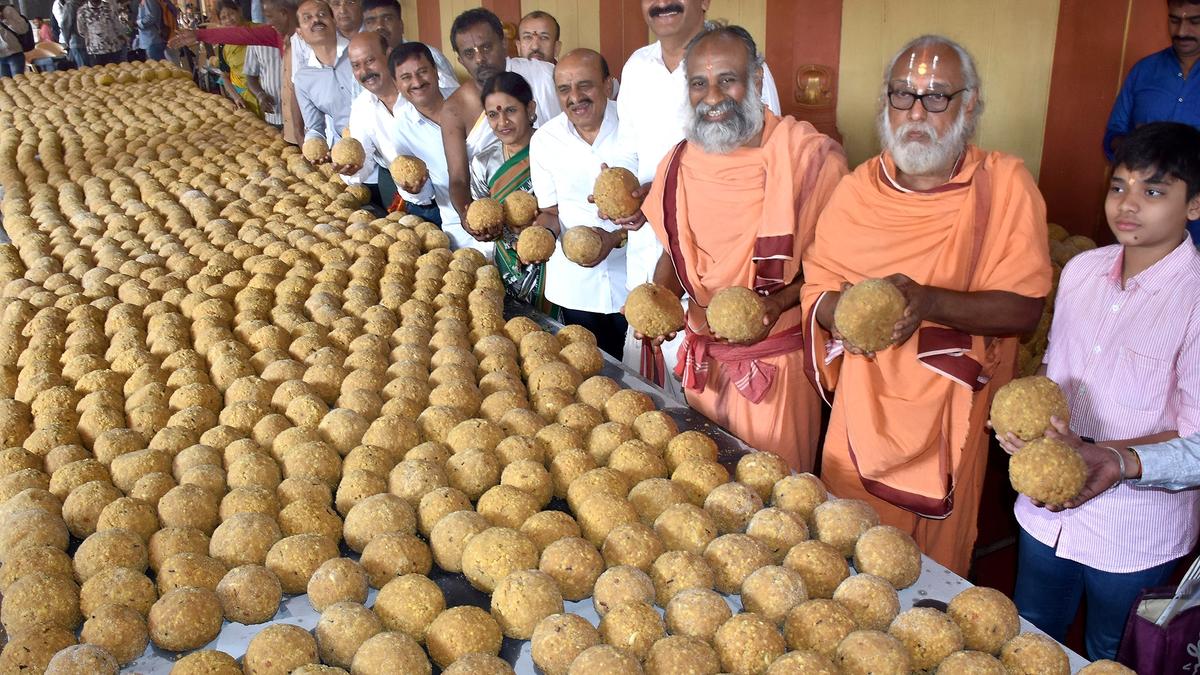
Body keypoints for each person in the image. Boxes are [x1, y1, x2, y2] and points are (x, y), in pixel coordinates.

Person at [800, 35, 1052, 577]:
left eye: (936, 97)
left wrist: (930, 301)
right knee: (841, 561)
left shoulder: (1004, 186)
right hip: (862, 408)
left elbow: (1024, 310)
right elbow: (816, 290)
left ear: (970, 104)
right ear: (885, 103)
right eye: (903, 95)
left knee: (932, 580)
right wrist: (847, 313)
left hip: (950, 414)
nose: (916, 113)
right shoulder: (856, 192)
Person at [999, 122, 1200, 661]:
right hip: (1046, 513)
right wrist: (1023, 428)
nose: (1127, 204)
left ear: (1195, 205)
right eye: (1119, 186)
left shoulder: (1195, 301)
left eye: (1153, 191)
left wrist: (1113, 458)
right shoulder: (1081, 272)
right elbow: (1051, 373)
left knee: (1109, 654)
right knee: (1029, 637)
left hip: (1134, 531)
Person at [638, 25, 846, 471]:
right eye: (699, 83)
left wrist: (777, 303)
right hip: (703, 367)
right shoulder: (677, 163)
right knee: (699, 480)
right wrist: (659, 304)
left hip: (777, 368)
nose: (712, 97)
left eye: (727, 80)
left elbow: (838, 268)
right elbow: (674, 253)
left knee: (776, 493)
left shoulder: (811, 159)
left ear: (756, 79)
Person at [618, 0, 783, 387]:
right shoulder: (637, 66)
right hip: (653, 263)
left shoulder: (741, 61)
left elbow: (764, 162)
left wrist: (668, 195)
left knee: (714, 407)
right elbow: (628, 150)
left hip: (732, 286)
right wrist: (633, 195)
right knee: (648, 401)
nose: (662, 2)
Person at [530, 49, 636, 358]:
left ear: (607, 85)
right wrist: (540, 236)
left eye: (585, 85)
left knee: (642, 379)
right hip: (575, 288)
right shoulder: (545, 140)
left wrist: (615, 238)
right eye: (564, 89)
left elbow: (660, 204)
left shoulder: (637, 126)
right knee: (587, 370)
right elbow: (551, 211)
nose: (575, 97)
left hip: (633, 282)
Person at [441, 8, 561, 228]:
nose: (480, 58)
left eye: (486, 47)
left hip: (556, 213)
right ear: (460, 59)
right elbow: (458, 178)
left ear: (504, 43)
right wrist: (469, 218)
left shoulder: (544, 75)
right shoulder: (454, 110)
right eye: (469, 53)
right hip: (498, 224)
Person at [1105, 0, 1200, 243]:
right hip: (1141, 218)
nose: (1182, 31)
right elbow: (1114, 133)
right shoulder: (1144, 71)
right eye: (1175, 20)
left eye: (1195, 22)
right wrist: (1140, 146)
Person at [469, 71, 559, 319]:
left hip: (553, 259)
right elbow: (480, 212)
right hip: (508, 263)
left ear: (530, 109)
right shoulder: (483, 162)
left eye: (511, 110)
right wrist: (486, 230)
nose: (502, 122)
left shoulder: (555, 149)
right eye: (493, 114)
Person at [386, 41, 465, 237]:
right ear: (396, 84)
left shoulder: (465, 100)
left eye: (422, 72)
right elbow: (425, 194)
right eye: (406, 77)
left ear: (436, 71)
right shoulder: (402, 129)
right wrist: (415, 190)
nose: (417, 82)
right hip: (458, 224)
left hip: (502, 206)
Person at [293, 0, 361, 150]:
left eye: (322, 14)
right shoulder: (303, 79)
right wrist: (314, 146)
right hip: (347, 151)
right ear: (299, 33)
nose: (316, 20)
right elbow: (315, 128)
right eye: (307, 18)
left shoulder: (361, 52)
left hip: (389, 144)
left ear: (334, 21)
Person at [361, 0, 457, 91]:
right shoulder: (360, 68)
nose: (379, 26)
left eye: (387, 18)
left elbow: (455, 97)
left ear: (401, 25)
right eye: (371, 21)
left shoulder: (430, 55)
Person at [215, 0, 261, 114]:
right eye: (224, 18)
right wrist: (236, 97)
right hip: (246, 101)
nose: (229, 20)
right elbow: (224, 77)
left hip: (269, 93)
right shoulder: (223, 44)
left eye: (231, 14)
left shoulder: (258, 31)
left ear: (239, 11)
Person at [73, 0, 128, 65]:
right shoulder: (82, 11)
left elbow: (117, 25)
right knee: (98, 71)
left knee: (116, 70)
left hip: (113, 48)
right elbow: (81, 30)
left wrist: (122, 38)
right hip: (95, 50)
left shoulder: (109, 7)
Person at [0, 1, 30, 77]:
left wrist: (5, 20)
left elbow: (23, 29)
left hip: (14, 54)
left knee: (19, 81)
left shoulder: (7, 10)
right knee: (5, 83)